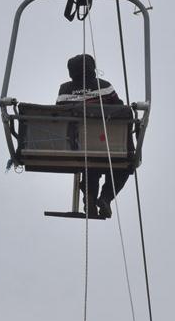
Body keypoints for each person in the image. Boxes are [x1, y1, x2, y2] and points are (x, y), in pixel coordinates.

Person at [56, 54, 130, 218]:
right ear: (92, 68)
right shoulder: (105, 86)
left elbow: (58, 114)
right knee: (124, 165)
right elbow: (121, 110)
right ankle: (105, 197)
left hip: (75, 145)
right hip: (106, 144)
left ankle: (89, 196)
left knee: (91, 163)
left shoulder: (64, 90)